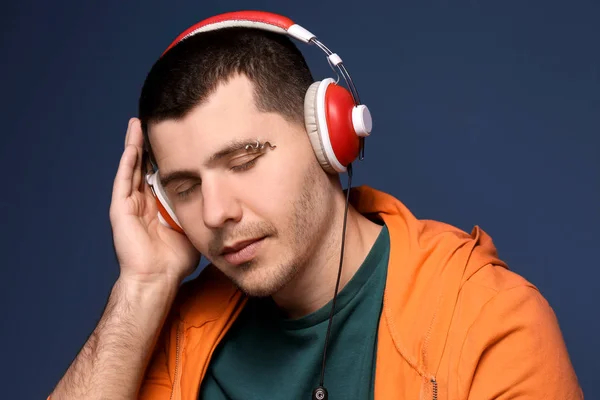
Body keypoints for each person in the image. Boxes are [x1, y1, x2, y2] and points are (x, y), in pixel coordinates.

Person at [48, 11, 583, 400]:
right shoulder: (180, 334)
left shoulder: (488, 320)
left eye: (243, 160)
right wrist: (142, 286)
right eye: (185, 187)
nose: (215, 213)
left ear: (328, 138)